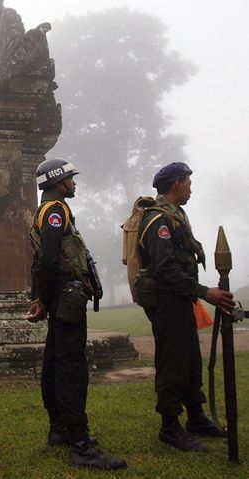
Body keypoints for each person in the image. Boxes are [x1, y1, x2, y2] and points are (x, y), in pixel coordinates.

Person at [26, 158, 127, 470]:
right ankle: (80, 445)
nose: (74, 183)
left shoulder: (51, 210)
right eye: (70, 178)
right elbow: (48, 259)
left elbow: (44, 260)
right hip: (65, 297)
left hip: (59, 297)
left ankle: (60, 430)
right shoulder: (55, 211)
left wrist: (42, 296)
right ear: (58, 182)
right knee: (71, 369)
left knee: (56, 363)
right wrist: (42, 298)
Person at [137, 162, 233, 452]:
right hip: (167, 301)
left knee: (190, 360)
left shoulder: (176, 215)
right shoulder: (159, 222)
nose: (191, 188)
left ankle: (197, 418)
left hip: (180, 300)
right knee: (173, 364)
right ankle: (169, 427)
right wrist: (206, 293)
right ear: (177, 184)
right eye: (188, 183)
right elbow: (165, 269)